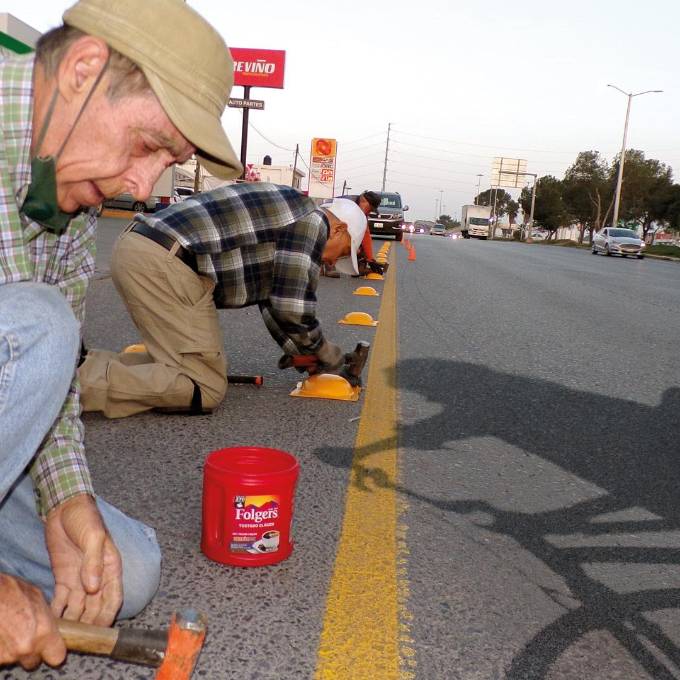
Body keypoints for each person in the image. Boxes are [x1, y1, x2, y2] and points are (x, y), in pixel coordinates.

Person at [0, 0, 240, 669]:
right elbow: (32, 342)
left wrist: (67, 501)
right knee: (39, 323)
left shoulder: (66, 183)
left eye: (167, 164)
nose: (141, 183)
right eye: (146, 147)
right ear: (81, 71)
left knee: (121, 572)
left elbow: (44, 379)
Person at [78, 184, 367, 418]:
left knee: (178, 362)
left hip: (142, 248)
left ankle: (79, 366)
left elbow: (273, 298)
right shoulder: (312, 222)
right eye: (340, 254)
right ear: (339, 229)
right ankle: (68, 388)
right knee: (204, 386)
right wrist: (331, 355)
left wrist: (303, 354)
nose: (331, 263)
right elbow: (292, 306)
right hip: (165, 262)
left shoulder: (295, 211)